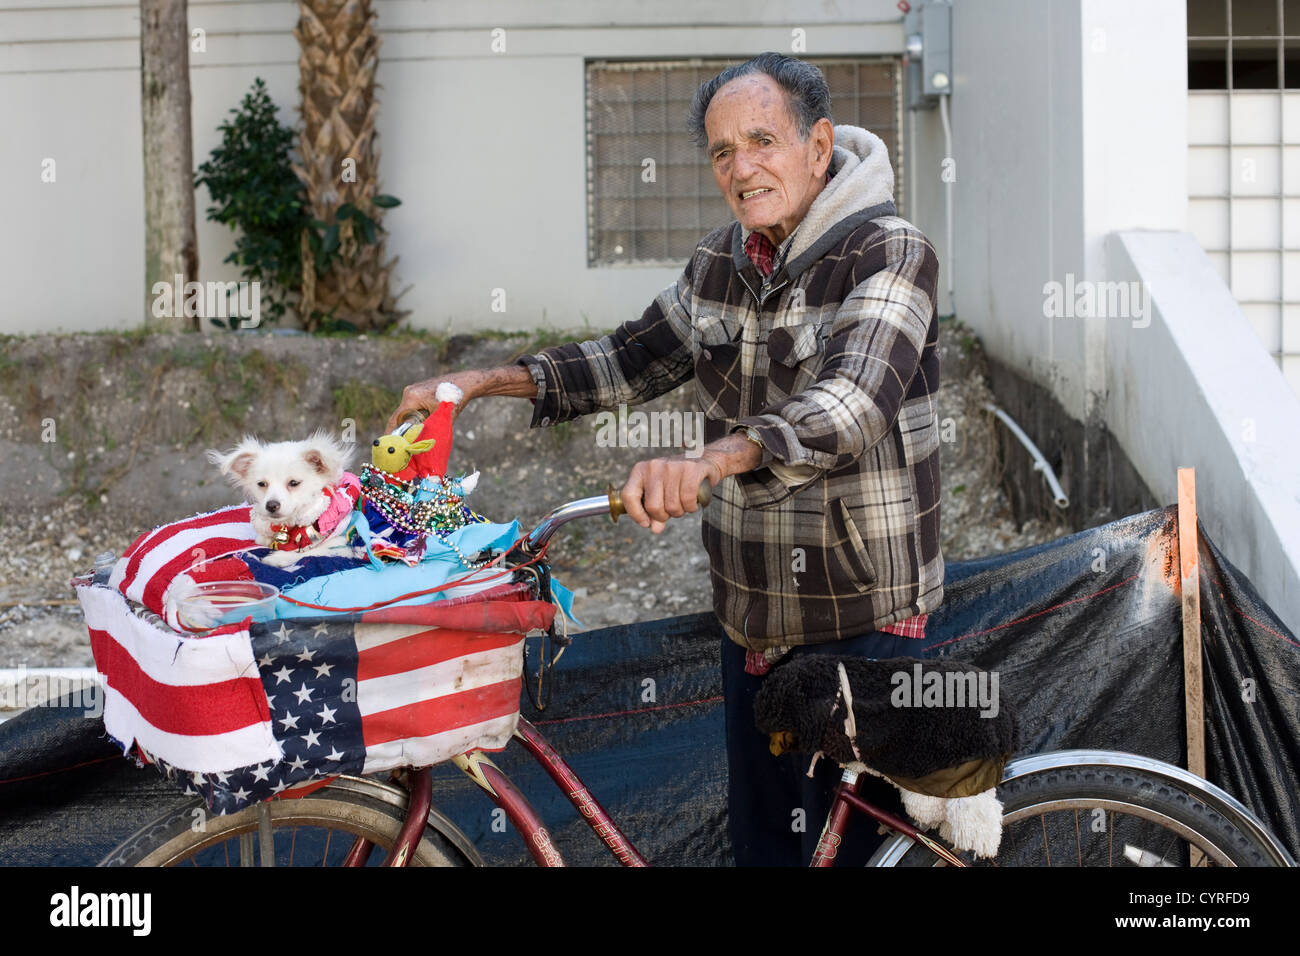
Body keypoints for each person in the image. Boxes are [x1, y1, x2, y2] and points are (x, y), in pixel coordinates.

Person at [387, 52, 943, 866]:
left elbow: (850, 406)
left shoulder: (890, 249)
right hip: (755, 616)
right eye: (722, 151)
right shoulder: (723, 260)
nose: (742, 168)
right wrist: (479, 382)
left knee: (864, 854)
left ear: (818, 146)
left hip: (866, 614)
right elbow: (628, 357)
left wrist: (714, 458)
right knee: (767, 849)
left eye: (762, 141)